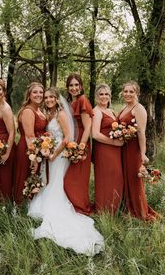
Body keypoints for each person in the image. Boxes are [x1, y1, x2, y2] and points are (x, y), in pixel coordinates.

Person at [28, 87, 104, 256]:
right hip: (50, 153)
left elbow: (68, 137)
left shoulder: (61, 114)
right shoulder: (49, 114)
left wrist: (54, 154)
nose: (48, 99)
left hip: (58, 156)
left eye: (51, 97)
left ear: (57, 98)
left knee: (55, 182)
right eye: (46, 97)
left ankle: (55, 210)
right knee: (49, 181)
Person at [118, 81, 160, 220]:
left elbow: (141, 133)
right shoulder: (125, 107)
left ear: (137, 93)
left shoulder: (139, 108)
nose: (128, 94)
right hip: (124, 149)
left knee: (135, 181)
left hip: (134, 150)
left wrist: (142, 154)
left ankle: (140, 212)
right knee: (126, 179)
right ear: (122, 93)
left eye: (131, 91)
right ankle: (128, 209)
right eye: (126, 91)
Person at [64, 72, 93, 215]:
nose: (74, 88)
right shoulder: (71, 102)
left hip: (82, 142)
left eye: (76, 85)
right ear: (67, 87)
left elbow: (88, 126)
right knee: (72, 177)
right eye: (71, 85)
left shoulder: (82, 100)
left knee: (76, 178)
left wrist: (81, 148)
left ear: (81, 86)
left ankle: (80, 206)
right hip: (72, 142)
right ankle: (73, 204)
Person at [92, 84, 123, 214]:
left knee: (116, 177)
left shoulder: (111, 111)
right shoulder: (96, 111)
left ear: (110, 96)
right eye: (101, 94)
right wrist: (113, 142)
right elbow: (95, 134)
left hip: (114, 150)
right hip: (104, 149)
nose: (104, 97)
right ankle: (103, 210)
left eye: (106, 94)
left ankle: (114, 208)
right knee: (106, 178)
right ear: (96, 97)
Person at [13, 82, 47, 205]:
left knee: (33, 177)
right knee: (26, 175)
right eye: (35, 92)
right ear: (29, 94)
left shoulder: (39, 110)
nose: (38, 95)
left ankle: (31, 205)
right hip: (28, 149)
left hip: (36, 149)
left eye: (41, 92)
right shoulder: (28, 111)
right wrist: (33, 157)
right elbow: (29, 135)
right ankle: (20, 205)